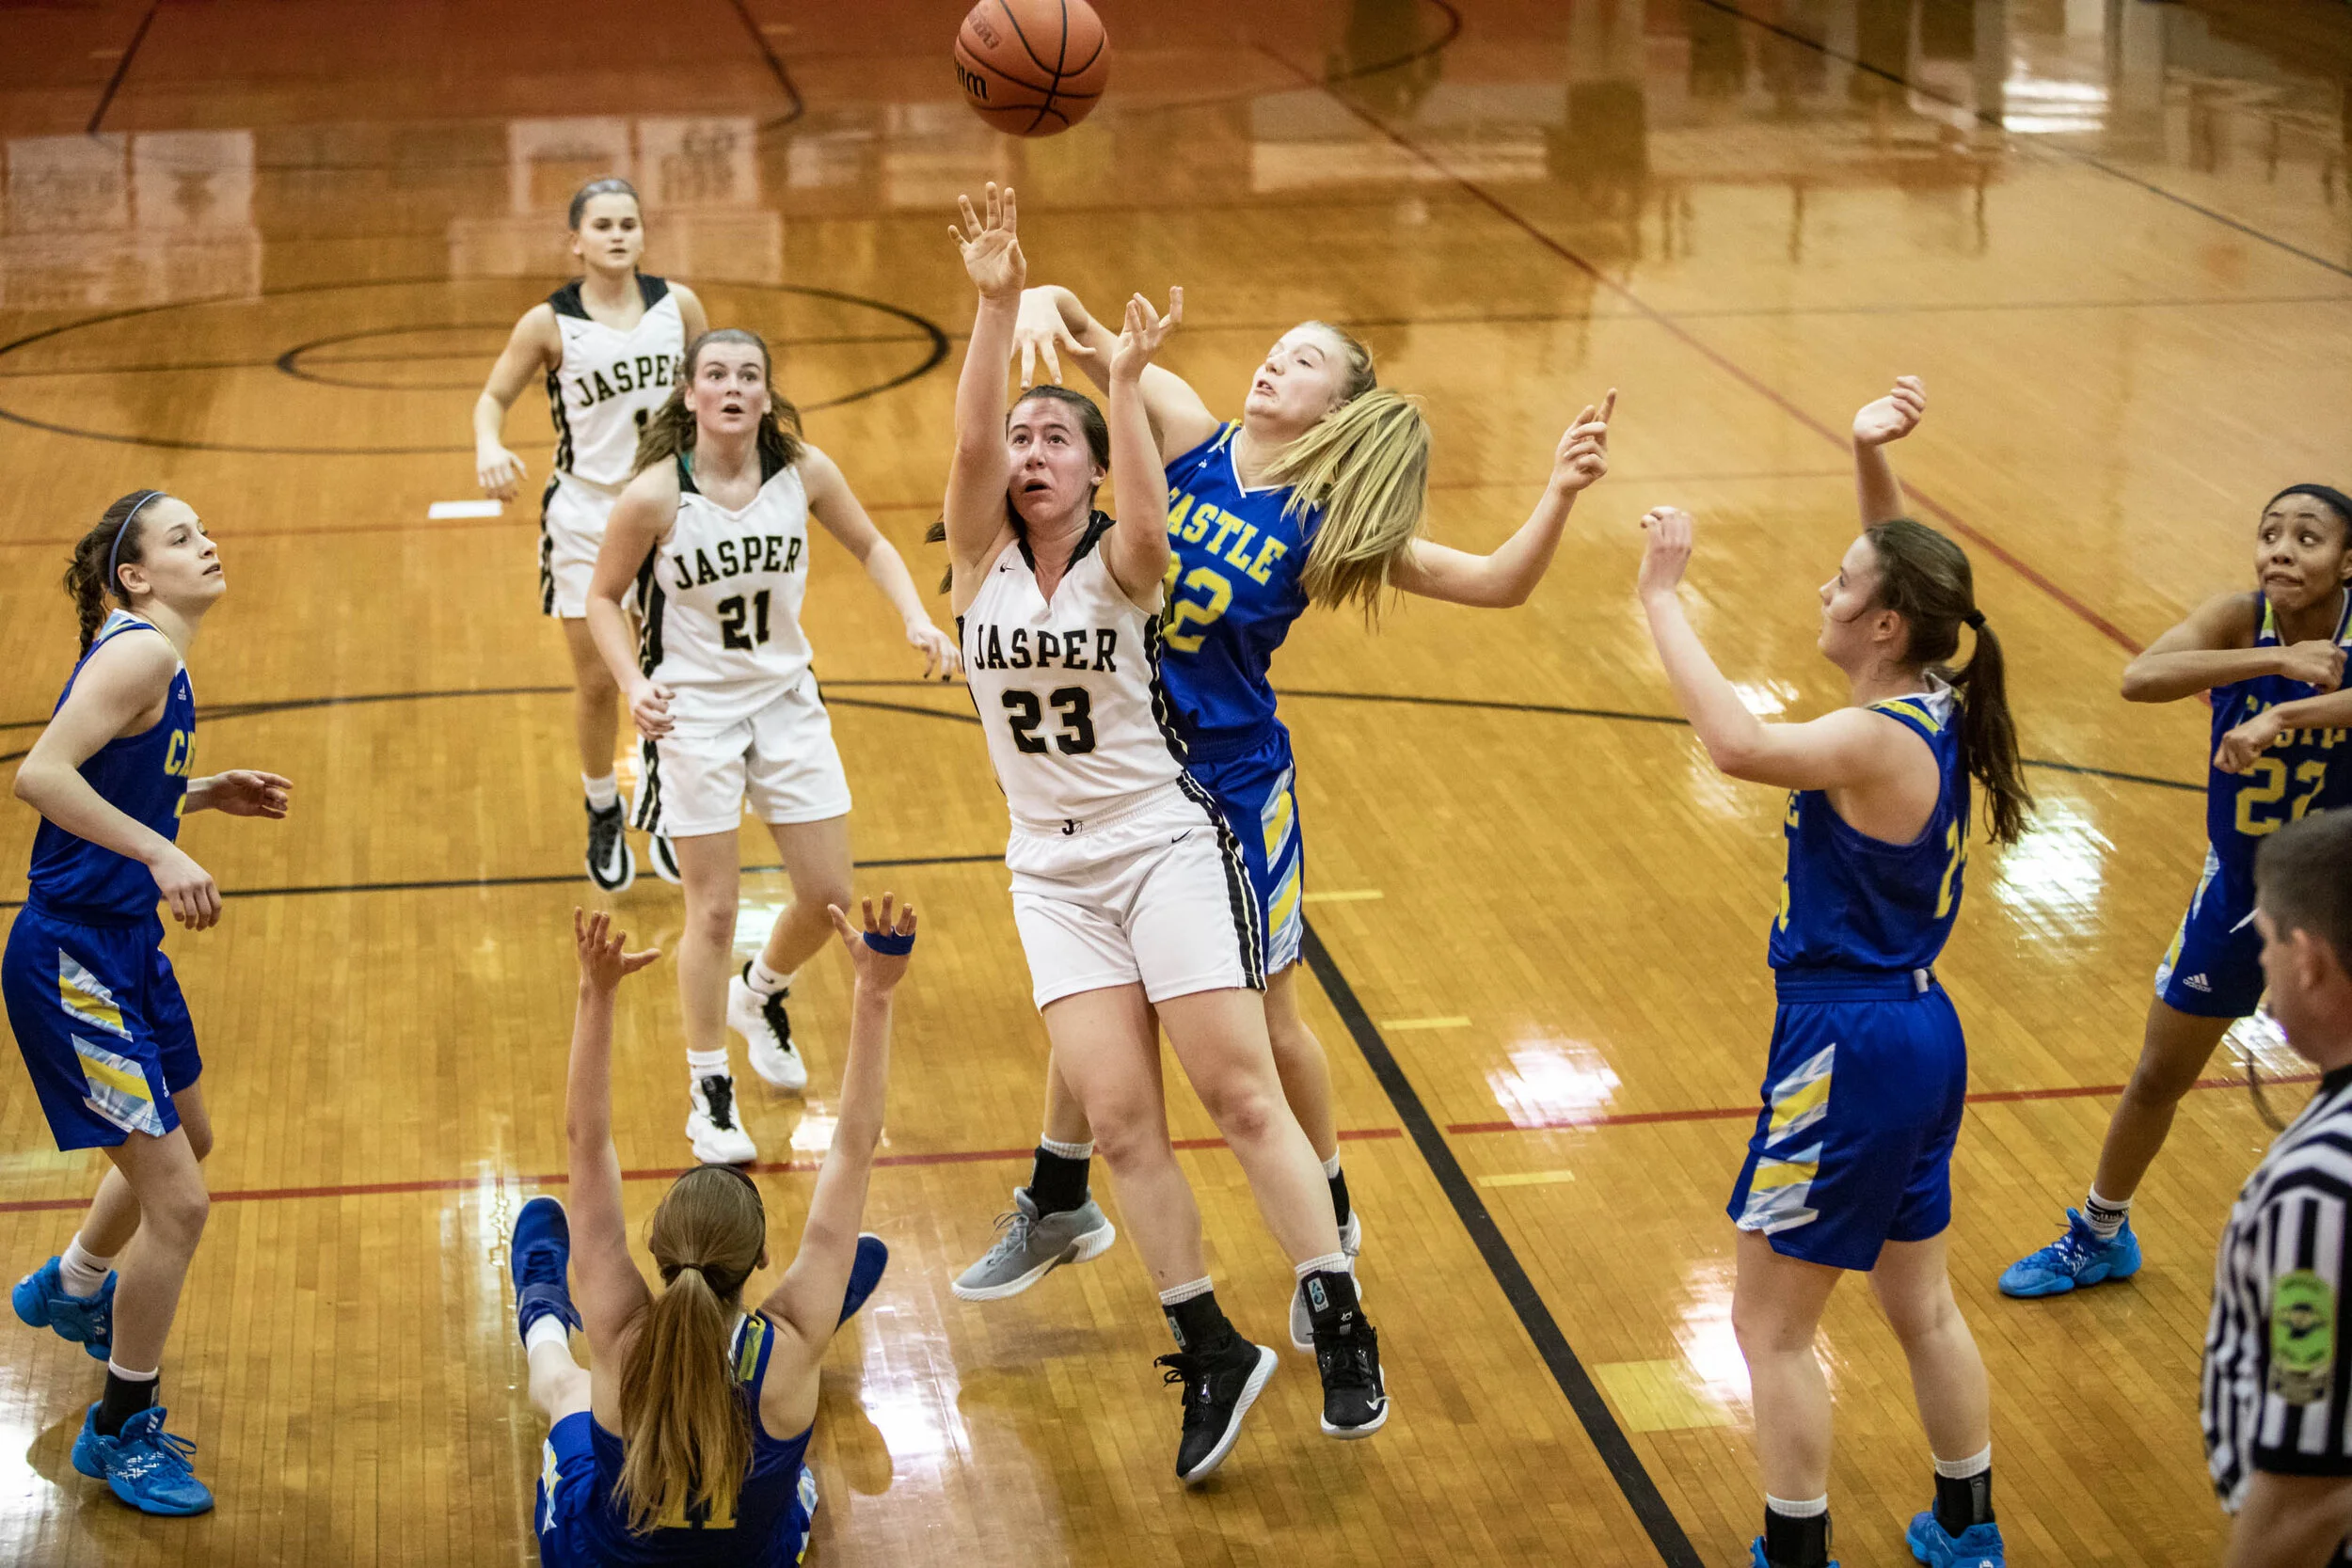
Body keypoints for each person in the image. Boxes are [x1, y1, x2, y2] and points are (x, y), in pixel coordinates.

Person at [950, 194, 1613, 1355]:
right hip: (1118, 763)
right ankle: (1062, 1194)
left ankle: (1331, 1200)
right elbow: (1076, 336)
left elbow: (1499, 583)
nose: (1274, 361)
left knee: (1270, 1013)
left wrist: (1555, 494)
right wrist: (1032, 299)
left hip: (1228, 784)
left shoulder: (1326, 518)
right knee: (1099, 988)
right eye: (1275, 345)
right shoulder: (1190, 429)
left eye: (1303, 359)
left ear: (1338, 407)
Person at [941, 185, 1385, 1483]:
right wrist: (988, 304)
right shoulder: (974, 562)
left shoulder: (1134, 563)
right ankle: (1208, 1345)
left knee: (1238, 1092)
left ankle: (1339, 1308)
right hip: (1050, 866)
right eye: (1020, 440)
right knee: (1123, 1125)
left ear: (1093, 465)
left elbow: (1147, 507)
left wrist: (1119, 383)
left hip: (1162, 840)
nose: (1028, 453)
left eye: (1054, 440)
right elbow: (970, 441)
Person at [1635, 379, 2029, 1568]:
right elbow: (1917, 572)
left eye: (1843, 581)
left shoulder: (1868, 737)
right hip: (1919, 1033)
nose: (1827, 585)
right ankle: (1965, 1526)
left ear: (1884, 626)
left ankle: (1794, 1553)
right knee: (1922, 1303)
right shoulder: (1942, 699)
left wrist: (1662, 597)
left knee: (1768, 1326)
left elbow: (1738, 744)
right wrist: (1867, 454)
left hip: (1845, 1044)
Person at [585, 327, 958, 1164]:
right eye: (714, 374)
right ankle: (708, 1091)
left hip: (787, 700)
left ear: (764, 393)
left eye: (747, 375)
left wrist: (915, 616)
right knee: (712, 907)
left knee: (828, 895)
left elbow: (871, 542)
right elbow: (603, 598)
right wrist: (632, 684)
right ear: (690, 394)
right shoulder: (653, 496)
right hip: (696, 715)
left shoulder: (803, 472)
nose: (731, 387)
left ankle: (761, 994)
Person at [5, 489, 293, 1515]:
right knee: (179, 1200)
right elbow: (41, 775)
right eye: (180, 537)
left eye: (203, 528)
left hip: (124, 945)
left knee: (192, 1136)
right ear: (133, 576)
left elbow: (113, 775)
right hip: (73, 955)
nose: (206, 541)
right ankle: (119, 1428)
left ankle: (75, 1282)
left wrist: (199, 791)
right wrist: (168, 844)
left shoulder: (154, 654)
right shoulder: (140, 654)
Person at [2001, 483, 2352, 1299]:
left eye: (2307, 537)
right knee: (2160, 1070)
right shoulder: (2241, 618)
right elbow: (2141, 676)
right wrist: (2271, 663)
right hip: (2241, 890)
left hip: (2337, 899)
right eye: (2270, 534)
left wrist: (2282, 718)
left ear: (2347, 561)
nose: (2282, 550)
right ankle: (2098, 1232)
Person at [510, 900, 904, 1565]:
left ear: (659, 1248)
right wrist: (875, 991)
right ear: (762, 1258)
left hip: (594, 1557)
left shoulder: (621, 1330)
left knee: (567, 1388)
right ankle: (830, 1295)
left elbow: (587, 1142)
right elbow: (853, 1148)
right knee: (798, 1460)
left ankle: (544, 1308)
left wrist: (595, 990)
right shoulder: (791, 1340)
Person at [473, 175, 709, 892]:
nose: (617, 235)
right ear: (574, 240)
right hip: (583, 514)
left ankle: (664, 803)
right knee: (600, 680)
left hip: (668, 508)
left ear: (643, 233)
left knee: (669, 670)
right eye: (602, 224)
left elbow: (715, 388)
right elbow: (493, 397)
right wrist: (489, 444)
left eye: (628, 223)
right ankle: (603, 805)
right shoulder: (548, 323)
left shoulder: (680, 306)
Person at [2202, 807, 2352, 1568]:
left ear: (2308, 961)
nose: (2259, 967)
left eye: (2263, 944)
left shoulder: (2319, 1192)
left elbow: (2312, 1491)